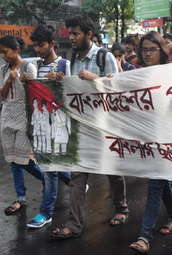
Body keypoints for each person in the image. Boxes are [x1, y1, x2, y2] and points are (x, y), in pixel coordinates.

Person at [51, 15, 128, 239]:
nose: (71, 38)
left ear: (89, 35)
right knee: (77, 176)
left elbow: (118, 92)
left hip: (105, 126)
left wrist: (97, 79)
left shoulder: (105, 57)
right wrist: (62, 80)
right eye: (70, 33)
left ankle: (122, 209)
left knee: (111, 171)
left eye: (75, 33)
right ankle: (74, 225)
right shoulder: (73, 58)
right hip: (82, 126)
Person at [129, 31, 172, 254]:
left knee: (155, 183)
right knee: (161, 180)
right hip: (148, 137)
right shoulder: (137, 75)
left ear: (163, 50)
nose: (148, 54)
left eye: (153, 49)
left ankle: (145, 235)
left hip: (168, 138)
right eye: (144, 50)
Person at [18, 25, 73, 228]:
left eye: (41, 45)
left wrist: (62, 80)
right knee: (51, 166)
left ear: (51, 44)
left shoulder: (64, 64)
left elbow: (72, 92)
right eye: (35, 46)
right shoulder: (37, 65)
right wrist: (26, 81)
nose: (38, 49)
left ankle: (46, 212)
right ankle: (77, 183)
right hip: (41, 123)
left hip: (58, 123)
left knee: (50, 169)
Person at [0, 35, 45, 215]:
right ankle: (21, 198)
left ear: (16, 49)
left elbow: (35, 96)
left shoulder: (29, 67)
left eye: (5, 52)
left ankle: (47, 179)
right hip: (7, 117)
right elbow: (1, 96)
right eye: (1, 53)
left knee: (23, 159)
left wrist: (24, 81)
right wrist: (9, 80)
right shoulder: (3, 70)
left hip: (25, 118)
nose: (3, 56)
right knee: (13, 161)